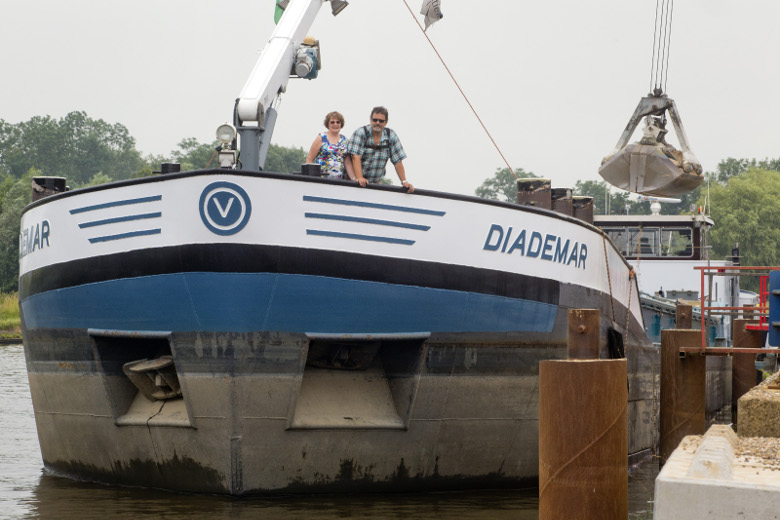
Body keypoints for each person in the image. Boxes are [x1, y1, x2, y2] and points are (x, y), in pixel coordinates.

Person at [346, 106, 414, 193]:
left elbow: (398, 161)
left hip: (376, 183)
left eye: (381, 121)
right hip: (353, 181)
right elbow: (355, 157)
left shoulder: (391, 135)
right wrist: (359, 178)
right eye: (375, 120)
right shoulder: (361, 133)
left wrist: (404, 182)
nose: (377, 123)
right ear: (370, 120)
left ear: (386, 122)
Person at [305, 111, 356, 180]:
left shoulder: (345, 140)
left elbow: (348, 162)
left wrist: (354, 179)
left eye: (338, 122)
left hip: (339, 181)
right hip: (321, 179)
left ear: (341, 124)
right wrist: (310, 178)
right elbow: (310, 158)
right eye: (332, 122)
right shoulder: (321, 138)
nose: (335, 124)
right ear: (327, 124)